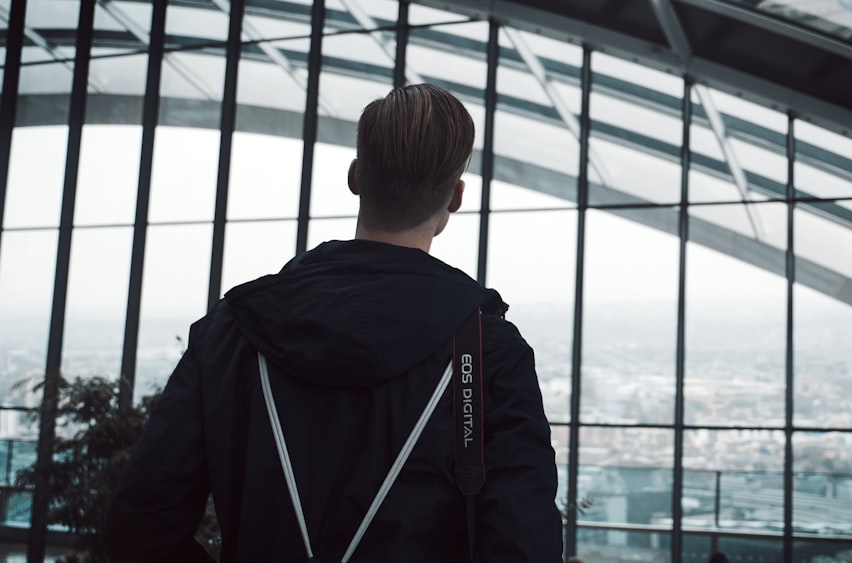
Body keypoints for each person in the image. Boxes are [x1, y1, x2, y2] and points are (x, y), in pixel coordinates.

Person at [106, 84, 563, 562]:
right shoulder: (487, 351)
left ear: (355, 175)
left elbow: (139, 527)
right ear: (456, 196)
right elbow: (524, 545)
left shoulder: (232, 331)